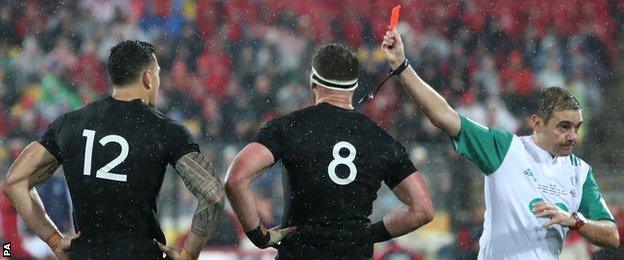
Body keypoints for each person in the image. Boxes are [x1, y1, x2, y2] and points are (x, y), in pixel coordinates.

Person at [380, 28, 619, 259]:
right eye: (564, 126)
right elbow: (444, 115)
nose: (573, 136)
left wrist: (575, 220)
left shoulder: (580, 172)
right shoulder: (506, 149)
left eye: (576, 127)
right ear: (537, 122)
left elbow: (612, 235)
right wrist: (402, 67)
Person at [3, 40, 224, 260]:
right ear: (148, 77)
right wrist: (188, 254)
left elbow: (14, 182)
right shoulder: (165, 130)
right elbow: (212, 194)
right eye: (157, 74)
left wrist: (53, 240)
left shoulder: (70, 123)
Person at [225, 43, 434, 259]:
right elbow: (422, 209)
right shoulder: (380, 139)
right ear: (354, 86)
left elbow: (235, 179)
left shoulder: (289, 127)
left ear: (312, 83)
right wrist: (367, 235)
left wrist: (260, 236)